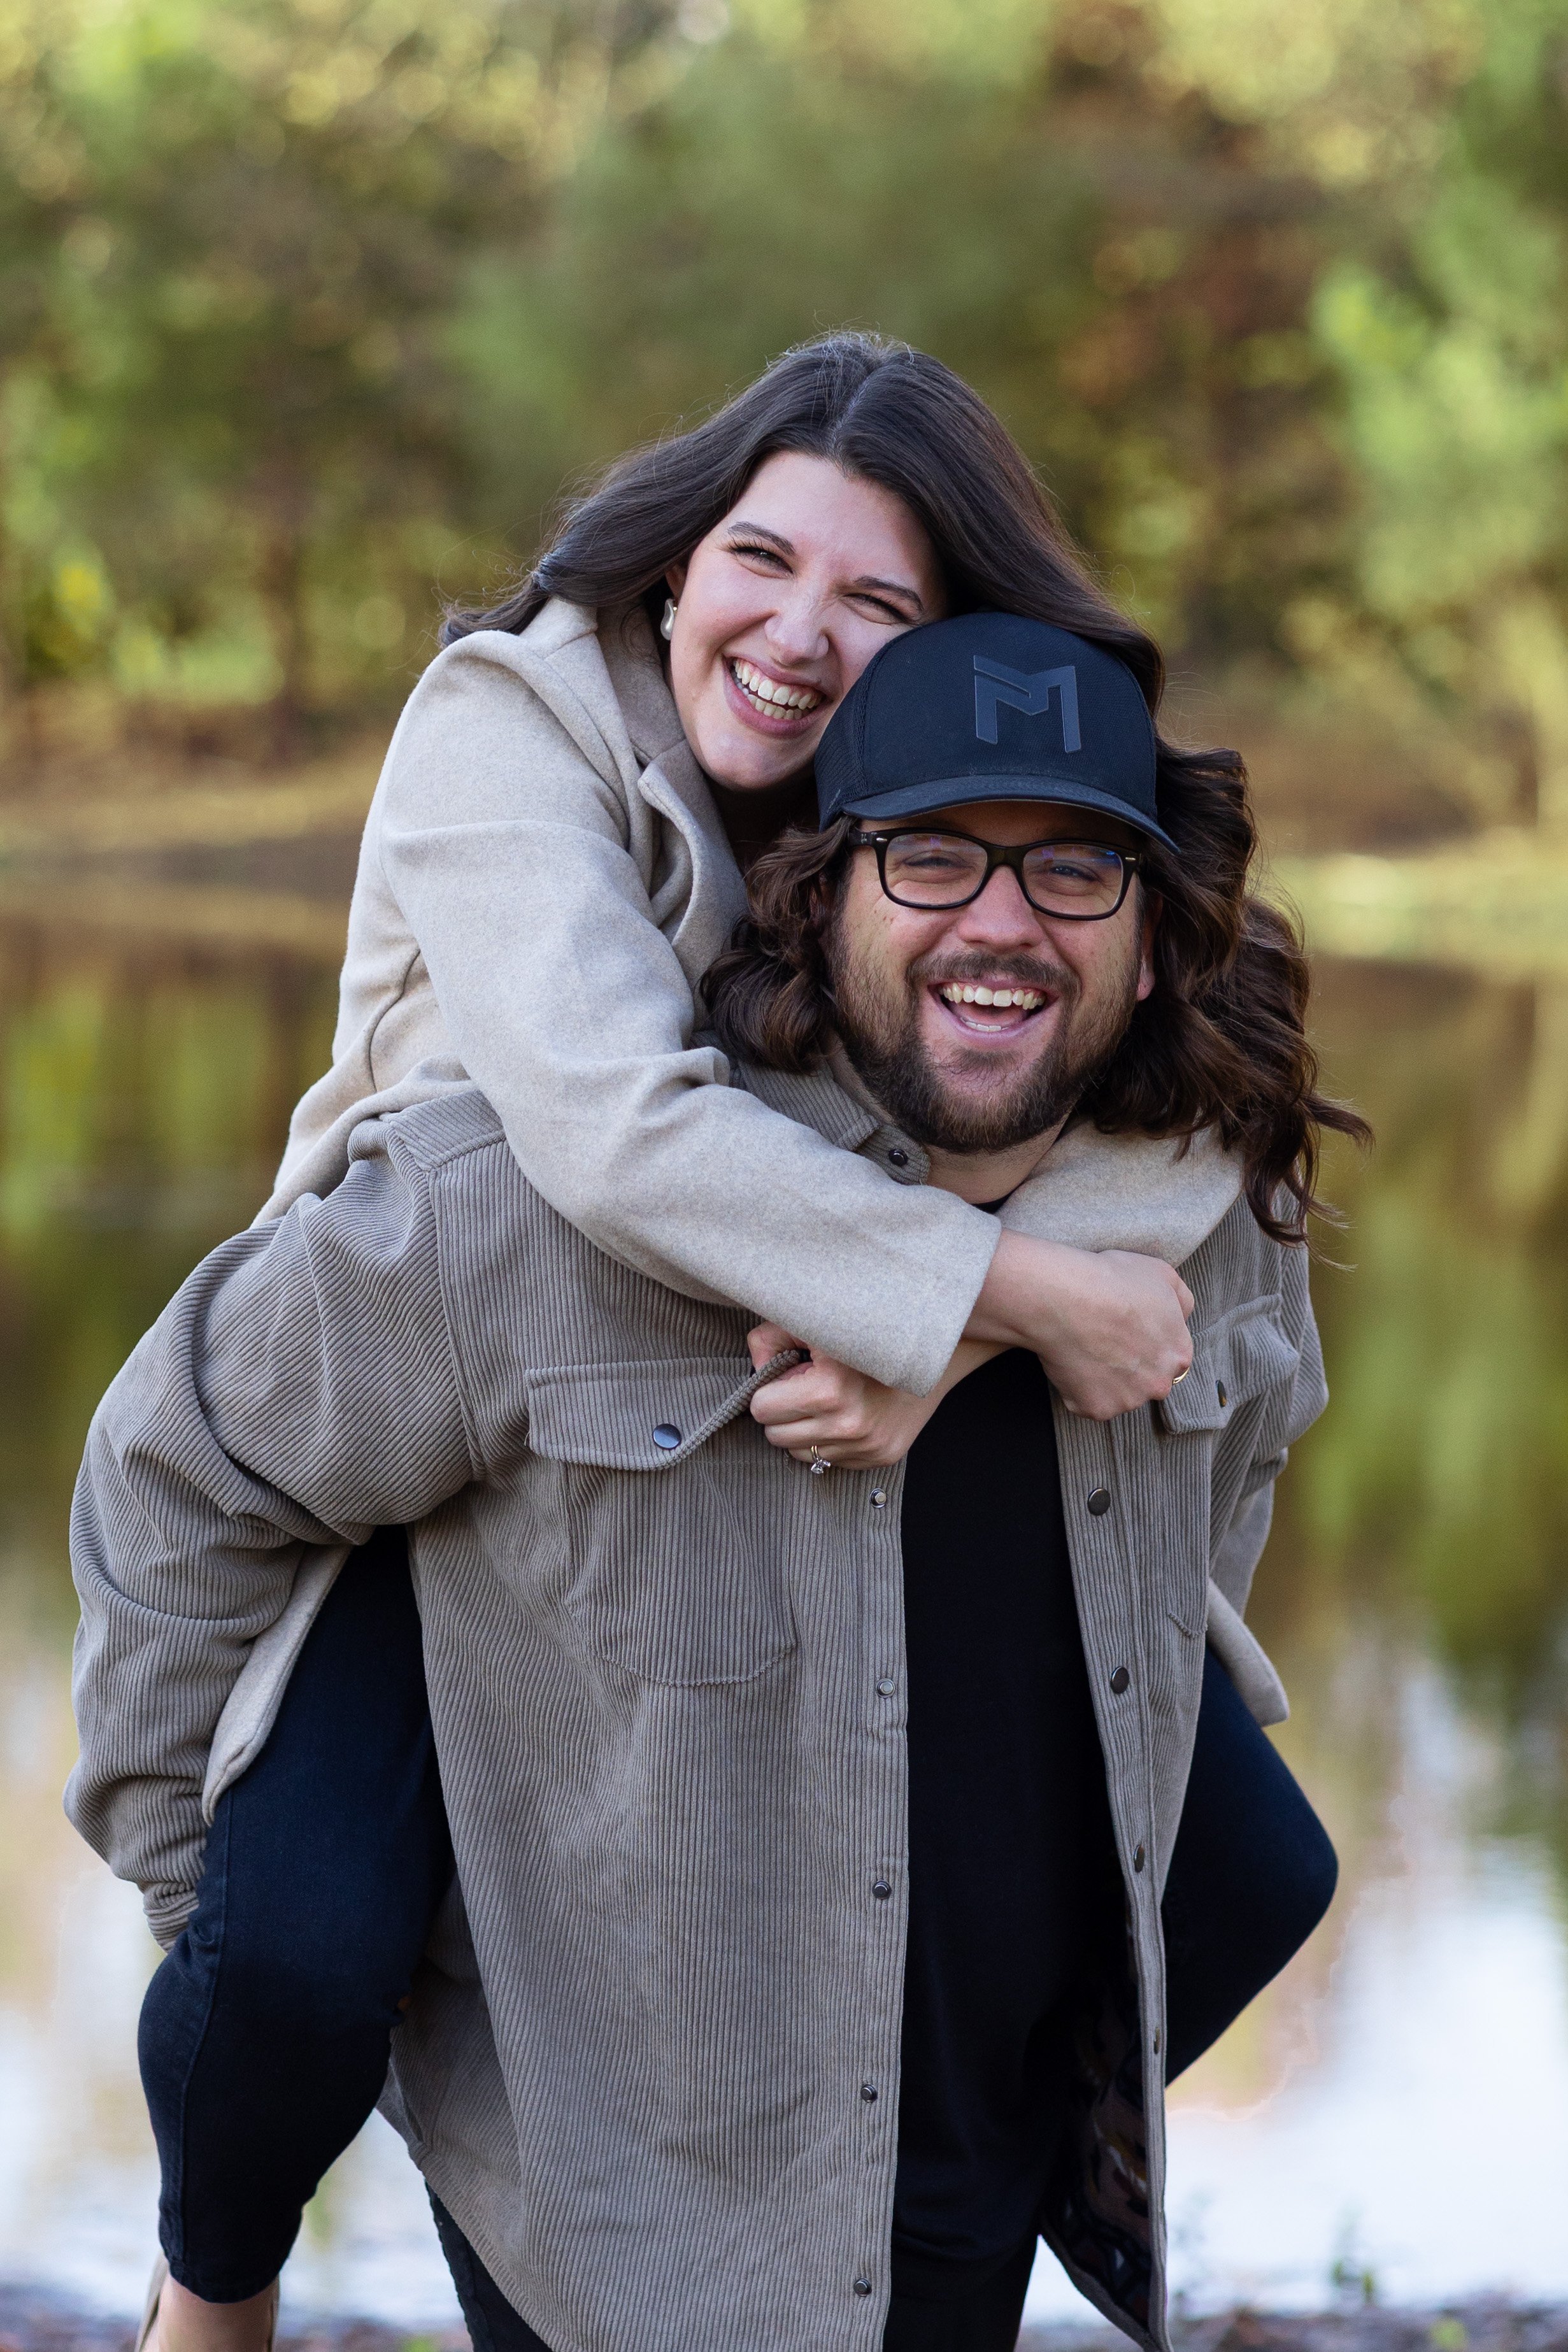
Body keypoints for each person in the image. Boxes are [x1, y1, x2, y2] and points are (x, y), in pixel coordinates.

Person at [69, 609, 1351, 2352]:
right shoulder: (520, 1209)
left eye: (1074, 872)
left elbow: (1244, 1474)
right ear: (818, 893)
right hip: (619, 2185)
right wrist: (225, 1947)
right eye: (932, 858)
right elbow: (174, 1474)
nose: (1002, 924)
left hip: (973, 2129)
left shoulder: (1213, 1210)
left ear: (1149, 937)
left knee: (1270, 1866)